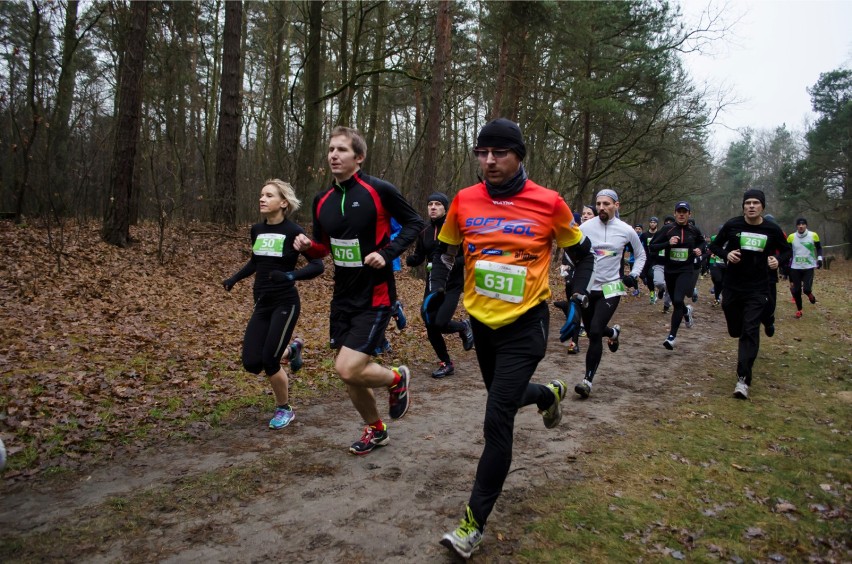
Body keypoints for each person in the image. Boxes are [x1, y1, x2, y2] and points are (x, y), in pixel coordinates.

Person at [432, 118, 594, 559]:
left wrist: (576, 296)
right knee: (505, 395)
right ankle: (547, 395)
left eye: (498, 153)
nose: (488, 161)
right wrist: (440, 294)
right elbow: (446, 254)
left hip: (527, 324)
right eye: (481, 153)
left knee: (496, 418)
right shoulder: (464, 201)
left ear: (519, 155)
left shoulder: (549, 202)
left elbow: (582, 256)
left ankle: (472, 525)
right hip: (483, 322)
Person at [293, 126, 425, 455]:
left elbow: (415, 222)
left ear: (359, 157)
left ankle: (396, 378)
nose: (334, 155)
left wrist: (387, 253)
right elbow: (324, 248)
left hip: (376, 295)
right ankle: (376, 430)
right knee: (350, 376)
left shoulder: (378, 190)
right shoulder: (321, 200)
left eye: (342, 150)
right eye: (331, 149)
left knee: (347, 368)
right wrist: (308, 246)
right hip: (342, 296)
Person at [223, 179, 324, 429]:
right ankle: (293, 351)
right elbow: (256, 261)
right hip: (262, 302)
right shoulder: (257, 229)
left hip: (285, 303)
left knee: (270, 361)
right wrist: (235, 278)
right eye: (261, 194)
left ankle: (284, 408)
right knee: (251, 363)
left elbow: (317, 265)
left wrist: (290, 276)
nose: (262, 199)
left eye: (269, 195)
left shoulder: (294, 232)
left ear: (283, 203)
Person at [709, 189, 791, 399]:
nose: (751, 206)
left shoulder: (771, 229)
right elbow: (714, 246)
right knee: (736, 330)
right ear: (743, 206)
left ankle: (743, 379)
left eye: (756, 203)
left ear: (762, 206)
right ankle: (740, 335)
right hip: (733, 286)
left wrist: (777, 261)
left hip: (758, 288)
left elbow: (787, 250)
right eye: (748, 203)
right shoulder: (733, 225)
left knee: (750, 331)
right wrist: (727, 254)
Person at [571, 189, 646, 398]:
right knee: (593, 328)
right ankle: (612, 333)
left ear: (616, 205)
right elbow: (572, 250)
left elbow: (641, 255)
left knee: (594, 331)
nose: (602, 208)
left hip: (612, 287)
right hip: (589, 287)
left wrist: (634, 274)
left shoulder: (626, 230)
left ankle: (587, 380)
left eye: (606, 204)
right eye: (598, 204)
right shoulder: (585, 227)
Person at [405, 192, 474, 378]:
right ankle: (446, 363)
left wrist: (443, 263)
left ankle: (463, 326)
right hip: (432, 284)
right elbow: (420, 255)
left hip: (452, 285)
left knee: (441, 322)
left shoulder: (455, 229)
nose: (433, 207)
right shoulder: (424, 231)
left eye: (437, 204)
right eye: (430, 204)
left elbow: (466, 258)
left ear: (445, 208)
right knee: (430, 324)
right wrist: (412, 260)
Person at [649, 202, 706, 350]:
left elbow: (702, 243)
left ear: (689, 214)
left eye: (684, 212)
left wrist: (699, 250)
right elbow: (653, 247)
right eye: (679, 212)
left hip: (686, 270)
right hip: (670, 270)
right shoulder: (668, 229)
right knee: (676, 302)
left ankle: (671, 337)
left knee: (679, 299)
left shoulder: (694, 230)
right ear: (675, 214)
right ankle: (686, 311)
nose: (681, 214)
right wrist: (668, 243)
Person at [557, 204, 595, 354]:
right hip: (575, 272)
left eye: (589, 213)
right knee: (575, 302)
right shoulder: (572, 230)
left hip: (596, 275)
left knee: (593, 322)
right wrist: (564, 265)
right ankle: (574, 342)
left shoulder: (598, 231)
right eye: (584, 213)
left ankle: (608, 333)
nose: (586, 216)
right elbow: (567, 252)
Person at [787, 217, 823, 319]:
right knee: (796, 290)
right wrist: (785, 265)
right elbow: (787, 251)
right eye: (799, 224)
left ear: (806, 225)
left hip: (809, 266)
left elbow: (819, 248)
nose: (801, 226)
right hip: (795, 267)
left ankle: (810, 295)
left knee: (806, 289)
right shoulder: (791, 237)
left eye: (803, 224)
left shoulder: (813, 235)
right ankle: (799, 310)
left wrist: (819, 259)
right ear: (796, 226)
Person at [640, 216, 659, 301]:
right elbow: (638, 243)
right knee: (643, 275)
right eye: (651, 222)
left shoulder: (660, 234)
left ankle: (653, 294)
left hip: (656, 259)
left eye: (654, 222)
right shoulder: (644, 235)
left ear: (657, 224)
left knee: (651, 275)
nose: (652, 224)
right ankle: (652, 291)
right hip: (646, 258)